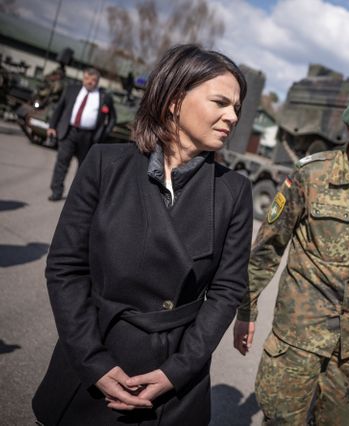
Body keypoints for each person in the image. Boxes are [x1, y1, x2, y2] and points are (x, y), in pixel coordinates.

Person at [32, 44, 253, 425]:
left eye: (236, 107)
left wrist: (177, 371)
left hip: (172, 378)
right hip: (94, 356)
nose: (232, 116)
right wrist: (92, 360)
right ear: (173, 99)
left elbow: (226, 290)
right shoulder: (104, 164)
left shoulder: (234, 190)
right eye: (220, 102)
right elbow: (66, 269)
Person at [233, 87, 349, 424]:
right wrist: (246, 309)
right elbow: (267, 249)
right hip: (300, 336)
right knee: (281, 420)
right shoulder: (311, 175)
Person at [47, 67, 116, 201]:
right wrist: (52, 126)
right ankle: (56, 191)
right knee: (62, 162)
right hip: (69, 132)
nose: (89, 82)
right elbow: (59, 108)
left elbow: (113, 118)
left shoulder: (104, 96)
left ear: (98, 81)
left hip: (89, 137)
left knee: (84, 168)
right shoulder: (71, 90)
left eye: (93, 80)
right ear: (83, 78)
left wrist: (105, 133)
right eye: (86, 79)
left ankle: (76, 196)